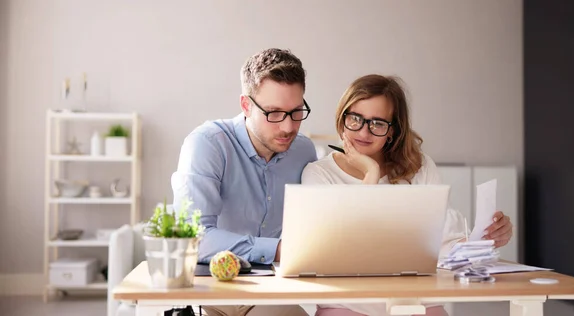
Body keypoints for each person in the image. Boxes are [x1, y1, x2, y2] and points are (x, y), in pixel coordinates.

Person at [301, 74, 514, 316]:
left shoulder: (419, 167)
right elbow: (343, 250)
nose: (364, 132)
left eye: (378, 123)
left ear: (393, 131)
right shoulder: (319, 174)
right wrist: (371, 173)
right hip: (347, 304)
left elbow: (444, 243)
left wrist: (484, 240)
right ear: (342, 118)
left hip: (416, 303)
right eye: (355, 119)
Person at [171, 48, 316, 316]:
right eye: (274, 113)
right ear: (246, 105)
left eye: (296, 112)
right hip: (209, 289)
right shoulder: (207, 144)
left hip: (272, 291)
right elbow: (193, 238)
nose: (287, 127)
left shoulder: (304, 152)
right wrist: (278, 250)